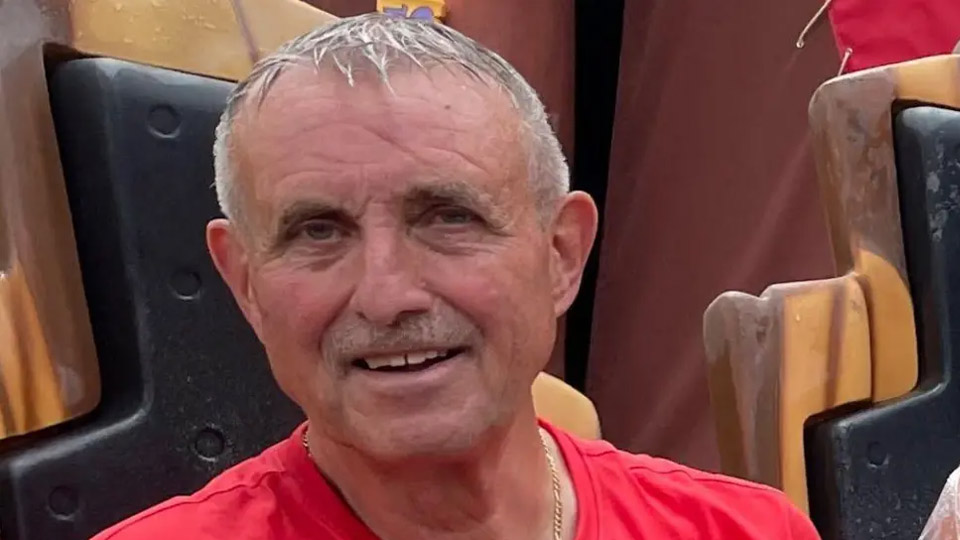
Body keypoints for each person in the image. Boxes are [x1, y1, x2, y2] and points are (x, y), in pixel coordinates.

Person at [93, 13, 820, 540]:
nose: (387, 296)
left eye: (448, 218)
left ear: (561, 253)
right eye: (319, 232)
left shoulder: (744, 531)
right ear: (246, 284)